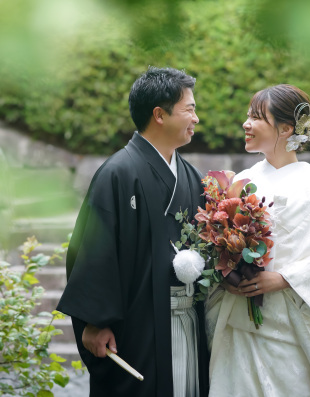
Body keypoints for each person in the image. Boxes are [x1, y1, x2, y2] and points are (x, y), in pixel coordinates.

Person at [56, 67, 210, 397]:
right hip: (138, 325)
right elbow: (95, 252)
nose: (196, 118)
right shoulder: (118, 173)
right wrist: (95, 323)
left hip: (187, 320)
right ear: (159, 114)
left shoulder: (193, 177)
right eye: (190, 109)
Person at [205, 84, 310, 397]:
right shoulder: (240, 182)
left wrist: (285, 278)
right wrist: (228, 276)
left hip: (290, 329)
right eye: (247, 116)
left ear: (286, 128)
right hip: (240, 324)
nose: (246, 124)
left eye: (256, 117)